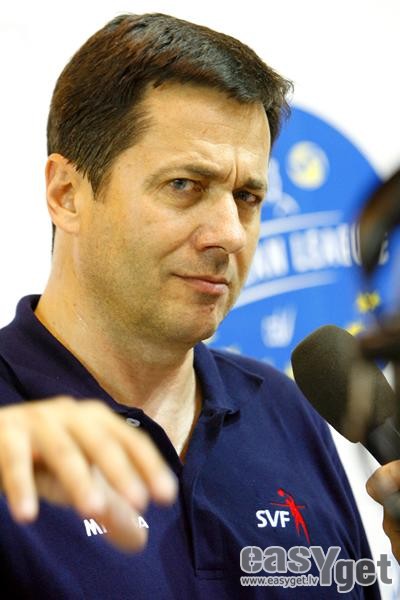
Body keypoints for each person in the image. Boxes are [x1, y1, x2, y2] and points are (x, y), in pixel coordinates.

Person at [0, 11, 393, 598]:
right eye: (184, 186)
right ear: (67, 194)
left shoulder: (285, 412)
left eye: (248, 196)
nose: (230, 234)